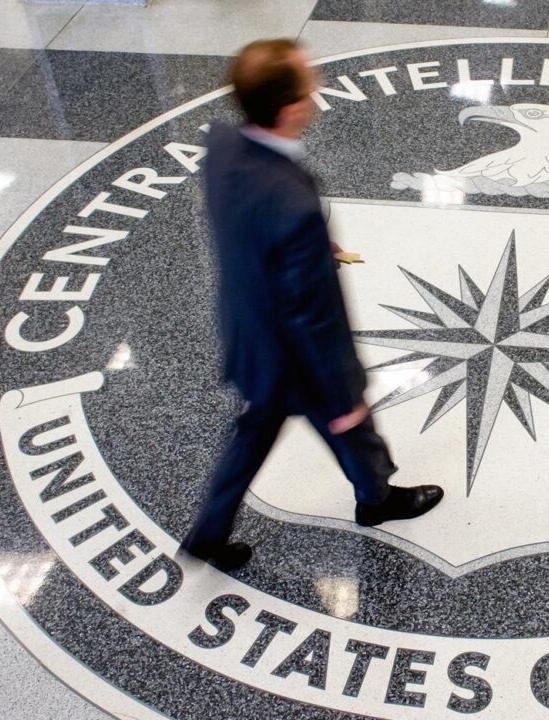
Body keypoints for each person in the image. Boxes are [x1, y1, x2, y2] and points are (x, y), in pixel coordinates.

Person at [181, 39, 443, 571]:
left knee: (254, 434)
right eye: (308, 84)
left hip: (248, 332)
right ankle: (377, 500)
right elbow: (312, 315)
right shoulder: (293, 208)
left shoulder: (225, 144)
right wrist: (342, 387)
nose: (317, 90)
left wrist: (306, 250)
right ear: (289, 109)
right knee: (350, 422)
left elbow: (249, 224)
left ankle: (208, 533)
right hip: (295, 356)